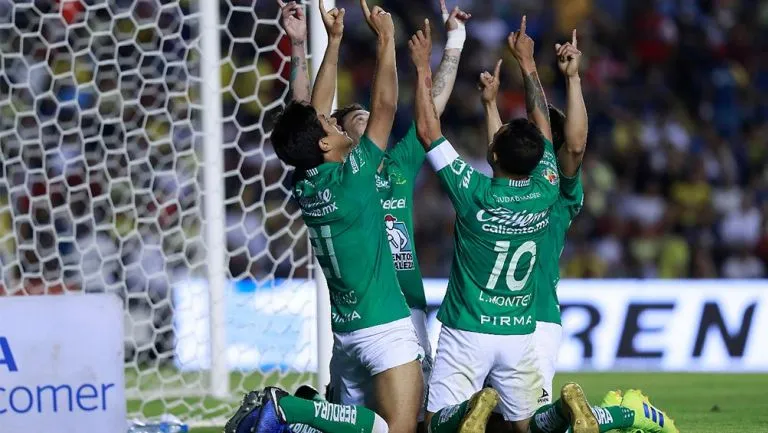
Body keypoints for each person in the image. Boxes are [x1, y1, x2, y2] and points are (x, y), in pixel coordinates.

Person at [227, 1, 424, 432]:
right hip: (384, 327)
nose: (335, 124)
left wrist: (322, 44)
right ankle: (291, 410)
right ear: (325, 147)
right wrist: (386, 40)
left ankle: (300, 415)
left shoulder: (306, 182)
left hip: (346, 334)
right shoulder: (353, 180)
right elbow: (387, 106)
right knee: (404, 429)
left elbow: (307, 114)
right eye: (333, 128)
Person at [479, 31, 678, 433]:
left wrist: (565, 77)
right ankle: (612, 409)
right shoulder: (510, 182)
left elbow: (574, 145)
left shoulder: (557, 188)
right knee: (496, 425)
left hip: (533, 319)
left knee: (527, 428)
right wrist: (489, 106)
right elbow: (499, 151)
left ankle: (629, 413)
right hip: (492, 316)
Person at [408, 16, 596, 433]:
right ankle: (569, 411)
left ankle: (476, 409)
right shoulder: (549, 187)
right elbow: (538, 137)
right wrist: (524, 73)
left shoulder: (474, 192)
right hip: (524, 323)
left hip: (470, 325)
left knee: (437, 423)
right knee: (525, 425)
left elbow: (427, 130)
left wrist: (424, 66)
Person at [303, 2, 471, 425]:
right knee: (370, 415)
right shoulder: (341, 176)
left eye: (366, 114)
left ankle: (300, 411)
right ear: (338, 135)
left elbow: (432, 107)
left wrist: (453, 42)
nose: (363, 116)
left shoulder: (397, 168)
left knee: (406, 417)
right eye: (352, 118)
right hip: (361, 312)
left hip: (405, 307)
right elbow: (326, 116)